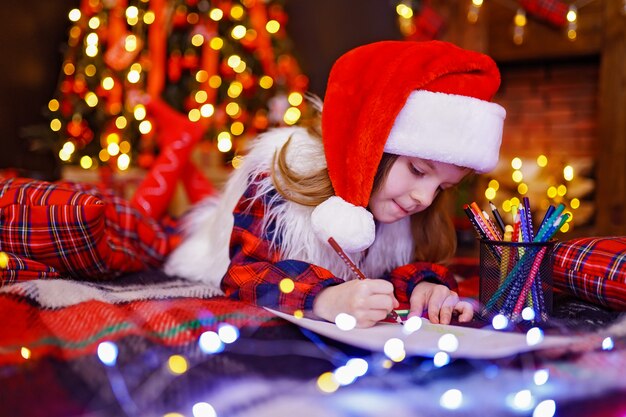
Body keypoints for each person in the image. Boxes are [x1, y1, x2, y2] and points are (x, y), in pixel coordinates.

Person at [164, 40, 506, 328]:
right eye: (418, 170)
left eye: (442, 188)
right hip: (197, 244)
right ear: (370, 148)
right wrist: (324, 299)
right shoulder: (276, 180)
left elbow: (396, 268)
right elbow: (244, 275)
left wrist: (425, 286)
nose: (425, 198)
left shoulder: (404, 206)